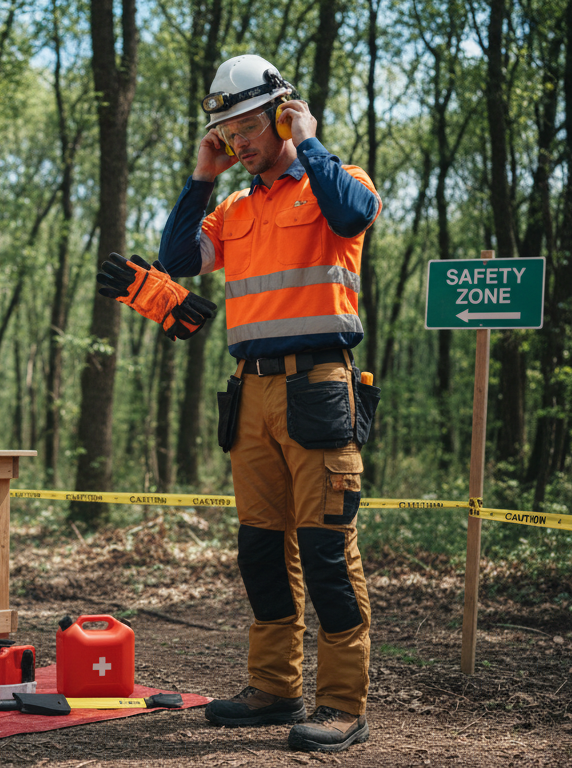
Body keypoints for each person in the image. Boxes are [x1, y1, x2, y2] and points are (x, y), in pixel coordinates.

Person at [96, 54, 380, 754]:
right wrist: (202, 173)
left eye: (250, 125)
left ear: (284, 112)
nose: (241, 141)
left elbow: (353, 212)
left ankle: (342, 703)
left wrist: (307, 140)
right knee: (260, 549)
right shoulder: (235, 206)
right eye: (228, 131)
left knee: (326, 552)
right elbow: (177, 257)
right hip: (250, 394)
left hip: (319, 389)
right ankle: (275, 686)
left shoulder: (335, 185)